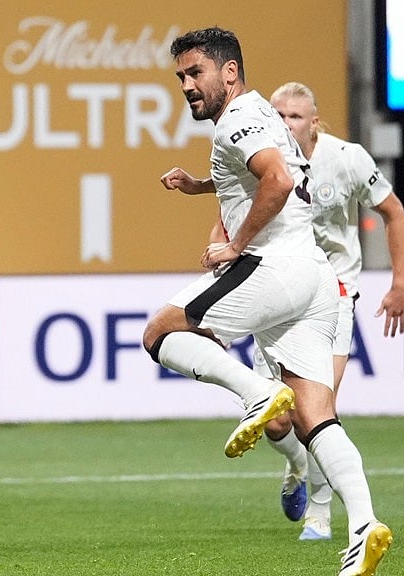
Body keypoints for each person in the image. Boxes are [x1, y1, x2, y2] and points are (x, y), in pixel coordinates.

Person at [145, 28, 392, 575]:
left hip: (275, 265)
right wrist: (200, 186)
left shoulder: (238, 118)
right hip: (314, 277)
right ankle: (363, 527)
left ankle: (256, 393)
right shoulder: (259, 117)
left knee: (161, 333)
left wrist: (234, 244)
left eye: (196, 73)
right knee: (315, 417)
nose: (187, 85)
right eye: (181, 76)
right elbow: (274, 170)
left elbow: (276, 181)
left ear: (228, 72)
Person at [253, 82, 404, 540]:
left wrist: (399, 281)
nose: (284, 123)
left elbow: (393, 211)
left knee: (315, 409)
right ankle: (298, 464)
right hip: (279, 291)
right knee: (276, 420)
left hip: (334, 293)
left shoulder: (347, 158)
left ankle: (321, 510)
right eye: (277, 114)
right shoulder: (263, 159)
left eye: (294, 116)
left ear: (314, 122)